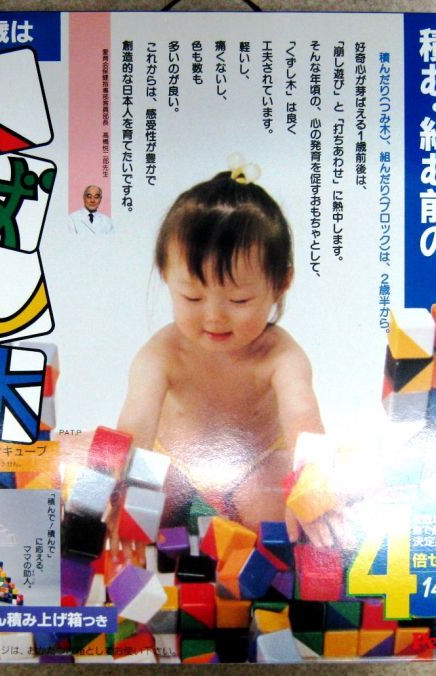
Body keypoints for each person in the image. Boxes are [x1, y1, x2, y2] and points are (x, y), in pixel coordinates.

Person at [117, 159, 340, 560]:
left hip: (256, 463)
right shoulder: (160, 354)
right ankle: (185, 528)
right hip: (175, 464)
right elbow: (135, 430)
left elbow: (305, 425)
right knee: (131, 496)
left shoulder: (281, 356)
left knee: (280, 518)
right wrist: (114, 487)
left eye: (239, 300)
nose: (214, 316)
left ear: (282, 283)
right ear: (165, 276)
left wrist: (311, 488)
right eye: (192, 297)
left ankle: (237, 532)